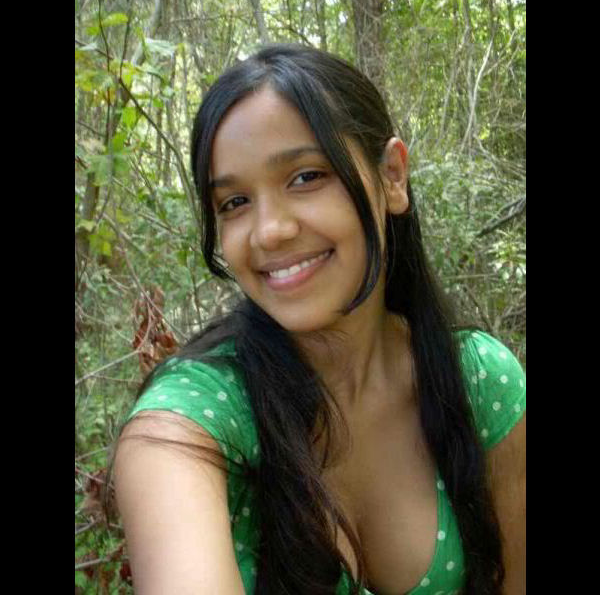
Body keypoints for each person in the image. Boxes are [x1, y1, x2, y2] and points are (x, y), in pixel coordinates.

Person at [112, 44, 526, 595]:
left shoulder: (477, 382)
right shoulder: (187, 425)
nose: (269, 231)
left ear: (392, 177)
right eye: (234, 203)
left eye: (306, 176)